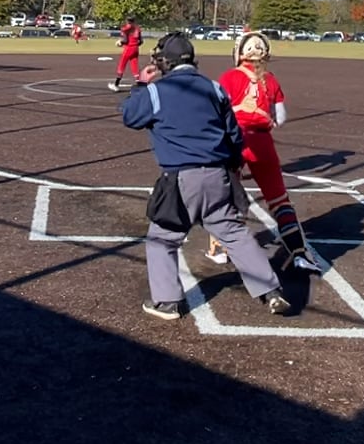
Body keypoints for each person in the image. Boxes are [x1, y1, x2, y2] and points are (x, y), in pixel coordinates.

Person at [121, 31, 290, 320]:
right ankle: (271, 290)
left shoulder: (157, 90)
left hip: (181, 179)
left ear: (166, 62)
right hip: (217, 175)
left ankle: (167, 302)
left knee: (163, 238)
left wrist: (140, 85)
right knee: (233, 232)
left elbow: (130, 116)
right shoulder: (214, 88)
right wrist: (232, 170)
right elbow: (234, 135)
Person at [204, 32, 324, 274]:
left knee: (226, 195)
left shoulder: (229, 77)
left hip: (235, 140)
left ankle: (220, 249)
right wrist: (267, 123)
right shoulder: (270, 79)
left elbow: (216, 111)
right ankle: (299, 253)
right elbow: (281, 117)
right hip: (263, 142)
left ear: (240, 53)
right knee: (278, 199)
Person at [108, 17, 143, 92]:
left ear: (127, 21)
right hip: (136, 49)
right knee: (135, 66)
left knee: (122, 65)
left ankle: (116, 85)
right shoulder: (137, 28)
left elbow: (125, 40)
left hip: (128, 48)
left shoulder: (125, 29)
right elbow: (141, 41)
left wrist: (120, 42)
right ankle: (139, 85)